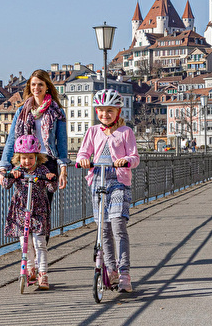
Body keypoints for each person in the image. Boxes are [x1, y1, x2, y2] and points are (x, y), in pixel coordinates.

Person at [76, 89, 140, 293]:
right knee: (103, 229)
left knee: (118, 226)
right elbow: (83, 153)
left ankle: (124, 273)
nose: (105, 115)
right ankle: (110, 269)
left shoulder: (125, 132)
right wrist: (83, 160)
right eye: (102, 111)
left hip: (119, 181)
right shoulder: (93, 131)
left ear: (118, 112)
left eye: (110, 111)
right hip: (98, 180)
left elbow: (134, 157)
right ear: (97, 111)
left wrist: (125, 160)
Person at [0, 69, 69, 197]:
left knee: (44, 206)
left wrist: (63, 169)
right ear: (29, 87)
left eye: (40, 84)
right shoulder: (22, 111)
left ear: (47, 86)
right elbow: (12, 139)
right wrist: (4, 166)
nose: (36, 88)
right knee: (23, 202)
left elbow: (62, 142)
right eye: (33, 84)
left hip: (47, 161)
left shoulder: (56, 112)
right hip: (25, 160)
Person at [1, 135, 58, 290]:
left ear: (36, 157)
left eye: (30, 158)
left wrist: (51, 178)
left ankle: (43, 273)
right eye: (24, 158)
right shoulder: (18, 169)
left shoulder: (42, 169)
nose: (27, 162)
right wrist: (11, 175)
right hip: (21, 210)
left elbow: (52, 188)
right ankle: (30, 269)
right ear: (19, 158)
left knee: (39, 243)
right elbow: (5, 184)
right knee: (25, 244)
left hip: (38, 210)